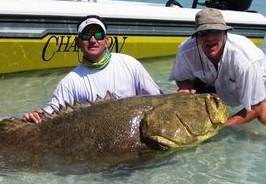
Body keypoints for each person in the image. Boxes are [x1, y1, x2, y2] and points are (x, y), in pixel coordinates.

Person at [23, 15, 163, 123]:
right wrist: (35, 116)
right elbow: (50, 113)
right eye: (86, 36)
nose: (92, 40)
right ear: (77, 43)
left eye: (98, 35)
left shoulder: (130, 64)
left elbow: (159, 102)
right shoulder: (69, 82)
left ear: (106, 41)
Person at [169, 8, 266, 128]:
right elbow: (181, 78)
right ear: (196, 36)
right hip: (209, 80)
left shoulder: (245, 60)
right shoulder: (185, 51)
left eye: (215, 31)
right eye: (203, 33)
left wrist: (222, 127)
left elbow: (256, 107)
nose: (209, 37)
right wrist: (186, 90)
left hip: (258, 76)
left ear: (225, 33)